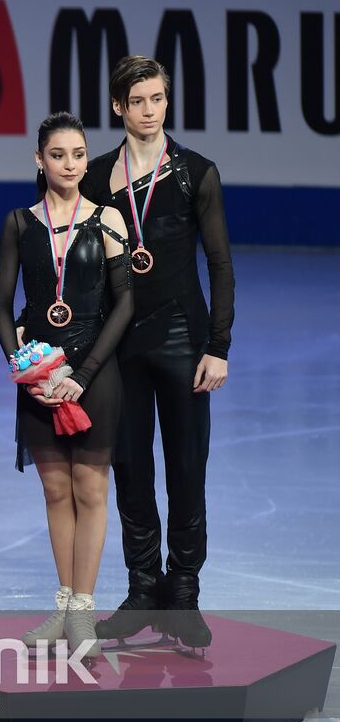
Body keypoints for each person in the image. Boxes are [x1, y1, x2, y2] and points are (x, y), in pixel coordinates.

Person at [83, 56, 234, 651]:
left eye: (159, 99)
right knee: (129, 465)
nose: (151, 111)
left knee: (187, 468)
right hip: (119, 344)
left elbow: (219, 264)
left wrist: (217, 346)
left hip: (182, 338)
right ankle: (144, 587)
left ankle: (184, 594)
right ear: (118, 107)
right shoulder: (96, 178)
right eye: (139, 101)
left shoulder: (196, 173)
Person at [0, 113, 134, 658]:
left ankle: (84, 612)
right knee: (55, 491)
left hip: (93, 372)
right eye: (58, 155)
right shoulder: (19, 224)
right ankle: (65, 605)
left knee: (90, 490)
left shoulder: (110, 219)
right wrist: (26, 371)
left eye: (78, 154)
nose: (70, 165)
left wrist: (82, 373)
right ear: (39, 159)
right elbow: (3, 310)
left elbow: (125, 305)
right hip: (39, 374)